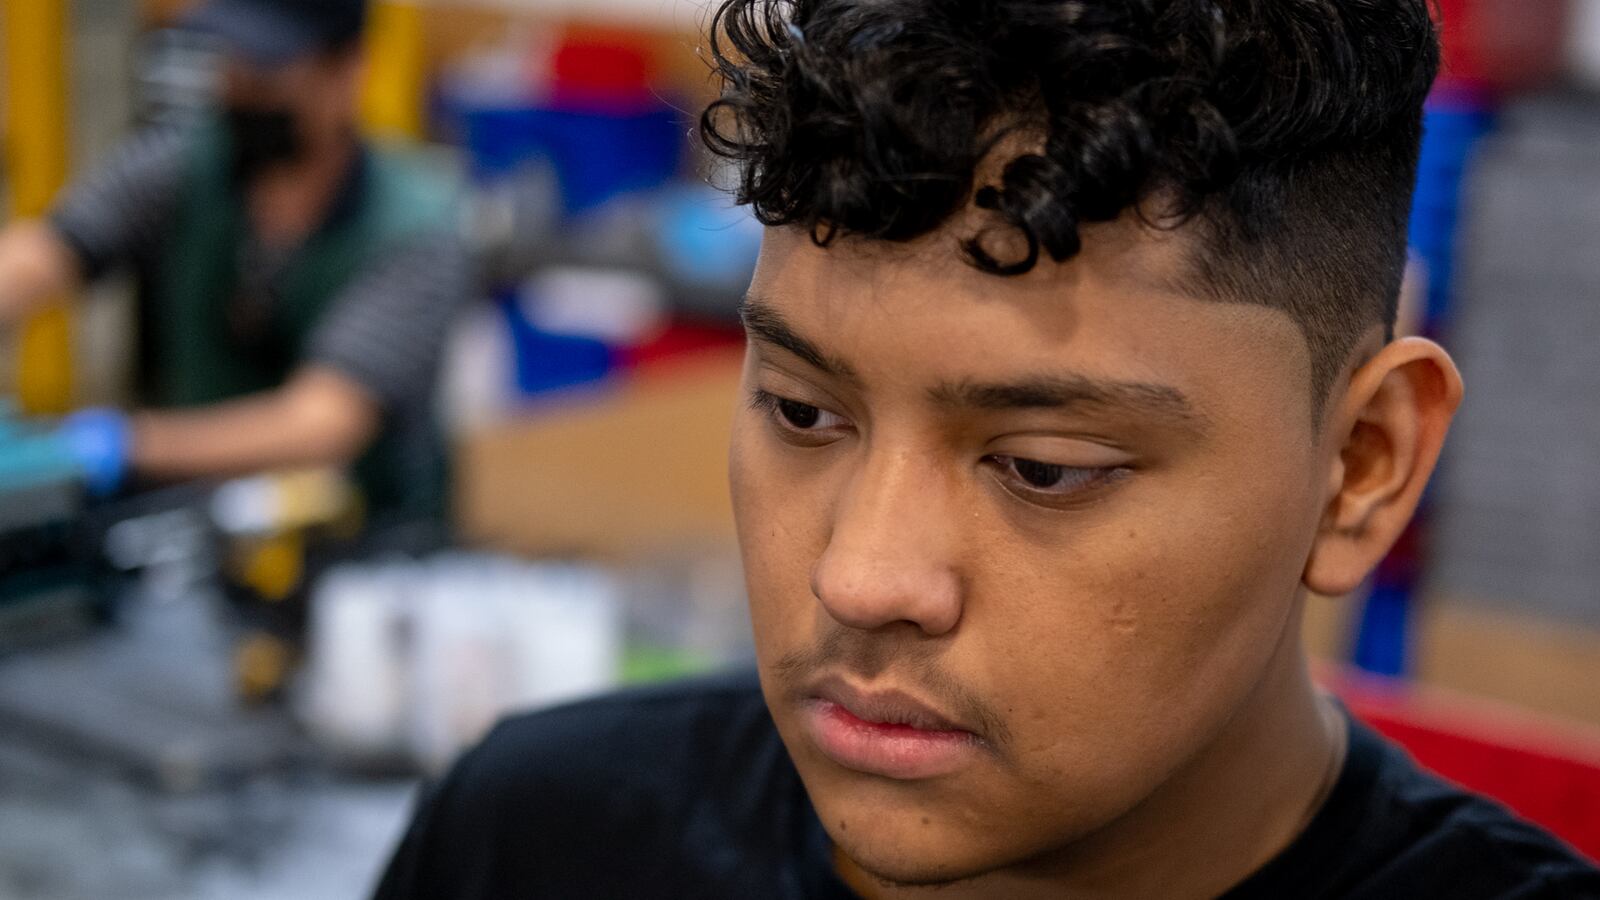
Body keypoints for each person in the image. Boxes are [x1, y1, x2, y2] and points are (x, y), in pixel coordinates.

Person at [373, 1, 1600, 898]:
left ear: (1361, 468)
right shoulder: (535, 844)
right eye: (804, 412)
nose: (859, 578)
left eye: (1045, 466)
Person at [0, 0, 467, 525]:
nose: (239, 85)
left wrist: (121, 444)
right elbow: (47, 252)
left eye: (267, 68)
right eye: (231, 59)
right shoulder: (188, 165)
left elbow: (322, 422)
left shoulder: (415, 227)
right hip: (201, 529)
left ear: (347, 74)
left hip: (366, 548)